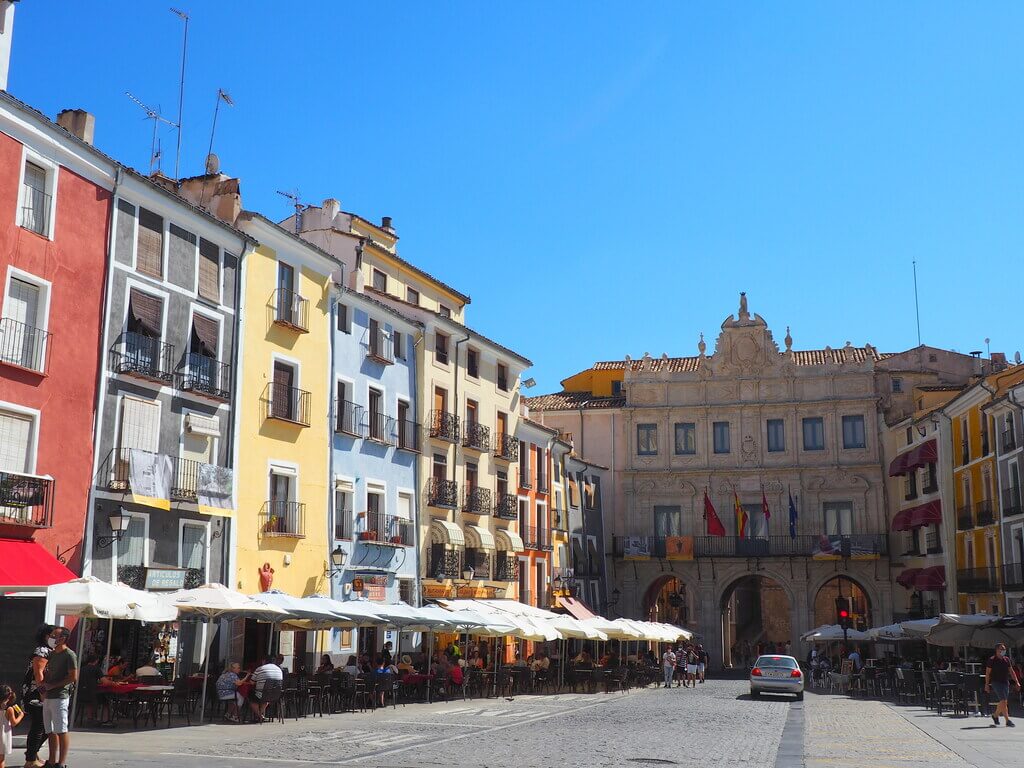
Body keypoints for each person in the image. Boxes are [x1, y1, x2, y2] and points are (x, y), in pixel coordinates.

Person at [40, 626, 78, 768]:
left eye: (54, 635)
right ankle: (51, 760)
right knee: (49, 730)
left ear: (62, 638)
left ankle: (61, 763)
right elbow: (49, 672)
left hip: (60, 696)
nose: (51, 637)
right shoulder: (52, 654)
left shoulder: (69, 654)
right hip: (49, 695)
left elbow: (73, 677)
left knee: (61, 729)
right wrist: (44, 683)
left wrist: (53, 685)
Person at [21, 624, 50, 768]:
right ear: (45, 636)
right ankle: (30, 759)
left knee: (44, 726)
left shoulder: (49, 650)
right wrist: (43, 694)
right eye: (52, 635)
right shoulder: (41, 651)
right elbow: (39, 674)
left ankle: (33, 753)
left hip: (40, 692)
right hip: (36, 693)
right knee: (39, 725)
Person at [985, 643, 1020, 727]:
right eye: (1002, 648)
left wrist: (1017, 682)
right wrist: (986, 684)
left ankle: (995, 715)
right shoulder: (992, 660)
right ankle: (1007, 720)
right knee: (1003, 700)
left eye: (1004, 649)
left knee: (1004, 702)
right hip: (996, 682)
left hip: (1005, 682)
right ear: (997, 650)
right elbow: (988, 673)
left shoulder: (1006, 659)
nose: (1004, 650)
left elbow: (1011, 671)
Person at [250, 657, 283, 722]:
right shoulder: (279, 669)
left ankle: (259, 715)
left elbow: (252, 682)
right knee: (265, 698)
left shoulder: (260, 668)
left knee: (251, 698)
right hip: (276, 695)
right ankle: (261, 715)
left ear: (264, 661)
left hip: (262, 694)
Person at [1, 684, 25, 768]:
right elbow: (14, 723)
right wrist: (21, 715)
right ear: (9, 696)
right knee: (1, 760)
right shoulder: (9, 709)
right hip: (2, 737)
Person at [76, 655, 103, 726]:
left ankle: (89, 718)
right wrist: (114, 683)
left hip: (80, 694)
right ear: (96, 661)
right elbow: (104, 681)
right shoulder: (96, 669)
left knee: (91, 699)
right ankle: (94, 718)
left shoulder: (81, 669)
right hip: (91, 694)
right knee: (102, 699)